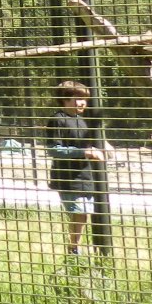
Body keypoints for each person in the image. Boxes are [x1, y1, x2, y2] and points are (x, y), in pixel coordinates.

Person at [44, 79, 104, 258]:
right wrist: (84, 152)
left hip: (85, 176)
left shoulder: (81, 121)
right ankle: (74, 251)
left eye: (84, 99)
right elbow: (54, 149)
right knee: (79, 211)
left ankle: (75, 249)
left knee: (84, 213)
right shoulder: (58, 120)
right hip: (68, 178)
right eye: (78, 99)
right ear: (65, 99)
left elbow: (88, 143)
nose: (83, 103)